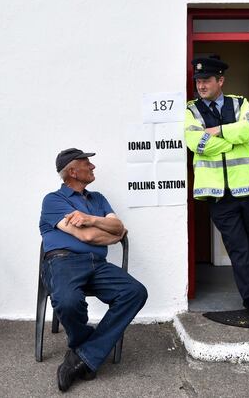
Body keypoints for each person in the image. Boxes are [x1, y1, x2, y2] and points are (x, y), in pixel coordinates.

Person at [39, 148, 148, 392]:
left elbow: (118, 226)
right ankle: (86, 347)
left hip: (97, 265)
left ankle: (81, 356)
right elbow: (87, 236)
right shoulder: (53, 200)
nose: (93, 167)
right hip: (63, 262)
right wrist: (111, 232)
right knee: (67, 301)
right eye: (87, 163)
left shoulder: (97, 198)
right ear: (73, 171)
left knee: (135, 292)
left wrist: (91, 219)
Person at [184, 57, 249, 328]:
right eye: (198, 81)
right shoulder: (191, 110)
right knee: (239, 248)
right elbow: (196, 142)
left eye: (206, 80)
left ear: (220, 80)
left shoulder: (239, 103)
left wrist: (219, 131)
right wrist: (234, 140)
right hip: (218, 195)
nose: (200, 85)